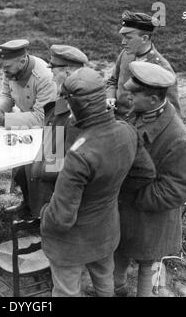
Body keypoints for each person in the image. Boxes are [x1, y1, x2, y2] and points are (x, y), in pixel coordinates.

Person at [40, 68, 155, 297]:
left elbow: (62, 218)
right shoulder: (127, 131)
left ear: (77, 106)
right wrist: (111, 188)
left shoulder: (79, 154)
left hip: (71, 244)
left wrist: (44, 214)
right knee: (105, 285)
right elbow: (145, 173)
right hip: (106, 233)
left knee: (66, 292)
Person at [114, 61, 186, 297]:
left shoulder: (179, 139)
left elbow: (179, 188)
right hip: (125, 210)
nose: (128, 95)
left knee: (147, 270)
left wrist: (138, 198)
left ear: (152, 99)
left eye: (134, 93)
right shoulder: (140, 112)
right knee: (118, 254)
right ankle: (116, 289)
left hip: (151, 218)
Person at [0, 39, 57, 217]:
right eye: (2, 65)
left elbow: (42, 117)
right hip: (27, 124)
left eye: (7, 65)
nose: (4, 70)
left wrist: (3, 120)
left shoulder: (44, 76)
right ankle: (28, 204)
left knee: (42, 173)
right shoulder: (10, 69)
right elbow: (6, 94)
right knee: (19, 170)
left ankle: (42, 216)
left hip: (53, 128)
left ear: (23, 61)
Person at [30, 44, 88, 216]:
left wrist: (41, 170)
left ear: (68, 74)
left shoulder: (79, 109)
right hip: (51, 170)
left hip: (64, 191)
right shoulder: (64, 96)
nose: (53, 79)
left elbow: (70, 161)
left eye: (54, 73)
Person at [106, 10, 181, 121]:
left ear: (144, 38)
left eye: (129, 38)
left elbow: (172, 111)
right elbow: (113, 81)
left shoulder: (161, 68)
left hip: (139, 124)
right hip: (115, 117)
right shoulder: (125, 54)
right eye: (123, 37)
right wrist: (110, 97)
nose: (123, 42)